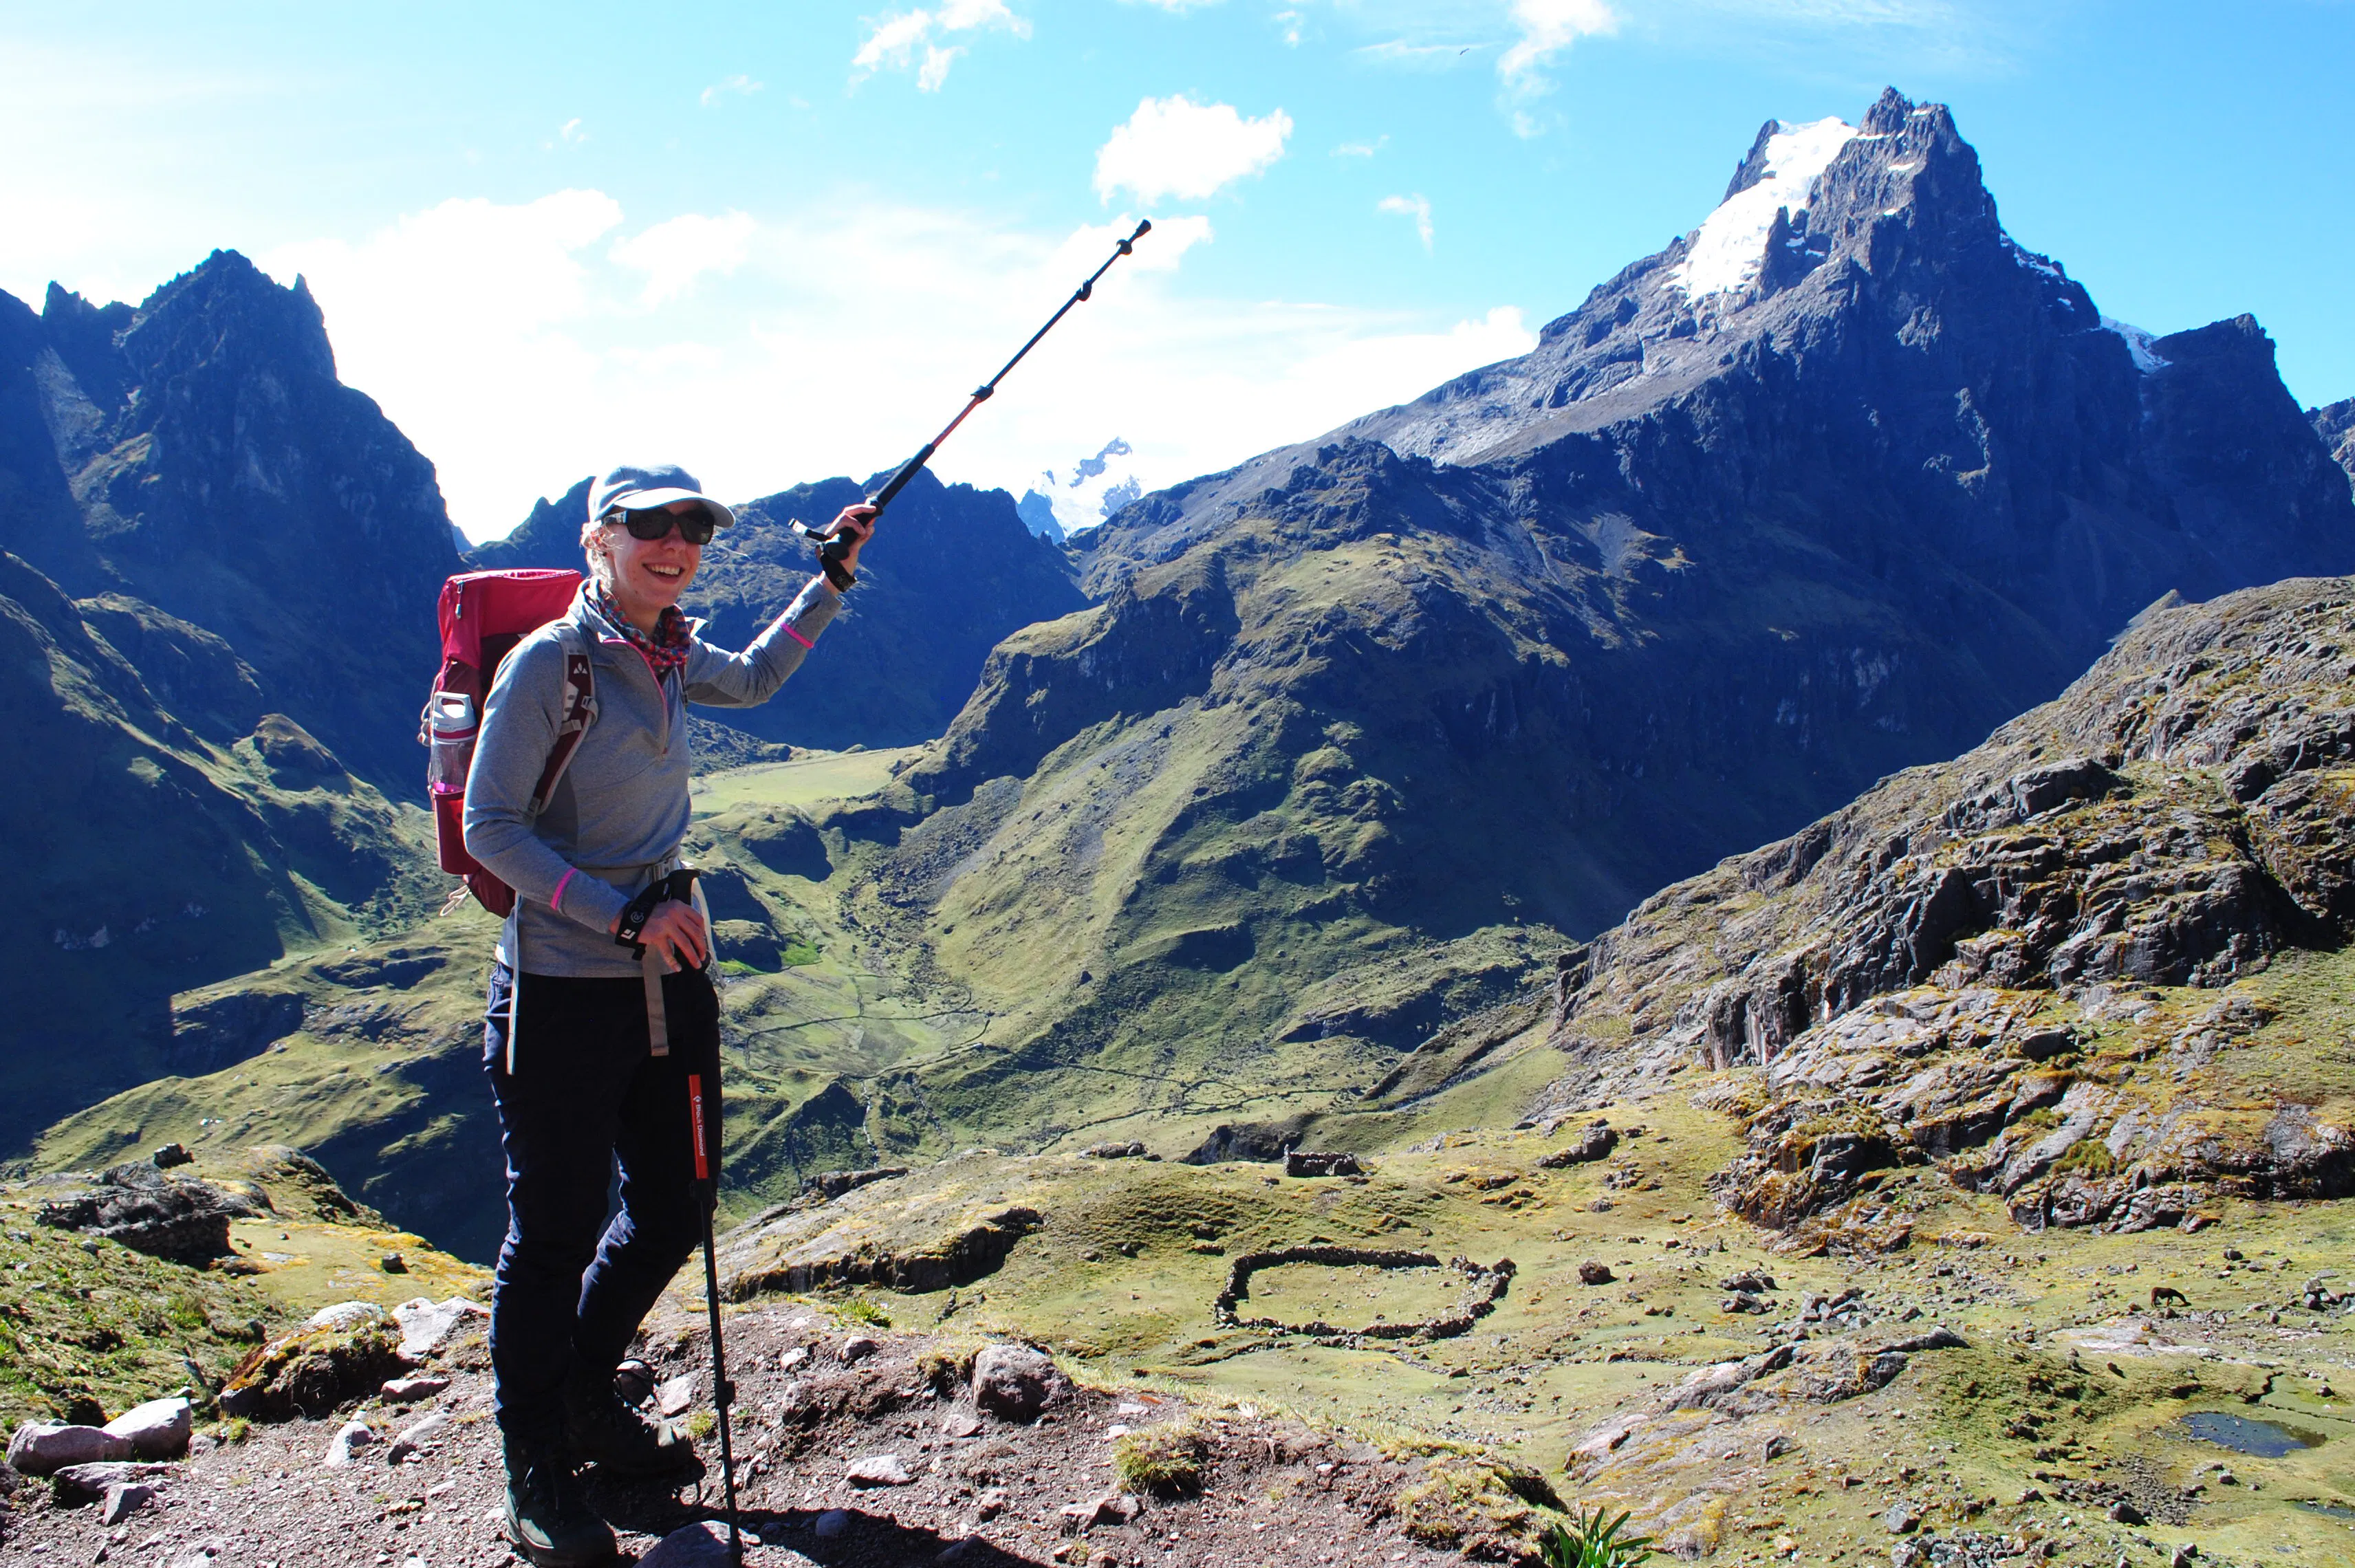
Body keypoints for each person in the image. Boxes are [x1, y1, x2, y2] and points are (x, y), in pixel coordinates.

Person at [464, 462, 875, 1566]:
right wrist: (619, 917)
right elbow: (490, 828)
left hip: (667, 980)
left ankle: (587, 1397)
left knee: (675, 1203)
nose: (676, 543)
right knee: (550, 1233)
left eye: (692, 527)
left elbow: (752, 682)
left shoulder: (670, 649)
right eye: (651, 525)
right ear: (600, 537)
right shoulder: (552, 665)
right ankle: (534, 1460)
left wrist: (827, 582)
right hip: (559, 990)